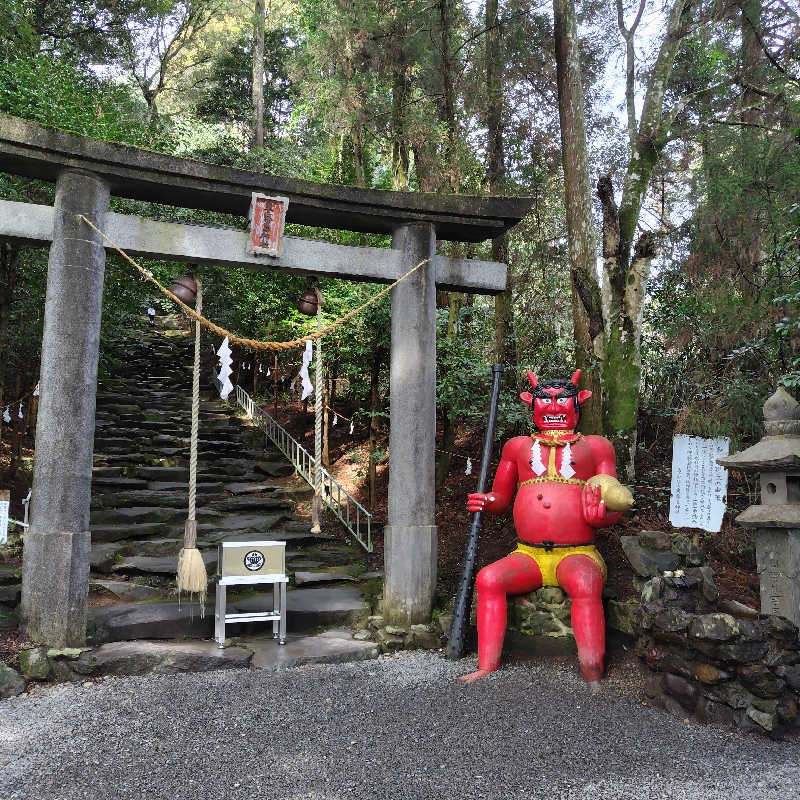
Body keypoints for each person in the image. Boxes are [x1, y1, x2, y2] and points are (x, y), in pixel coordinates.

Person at [460, 369, 631, 689]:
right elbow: (501, 498)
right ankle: (487, 664)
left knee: (585, 581)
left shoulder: (597, 447)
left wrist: (603, 517)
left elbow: (613, 502)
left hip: (578, 552)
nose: (554, 408)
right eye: (545, 401)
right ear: (531, 404)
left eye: (563, 400)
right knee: (489, 578)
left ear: (579, 403)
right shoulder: (517, 447)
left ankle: (592, 668)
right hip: (529, 554)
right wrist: (486, 500)